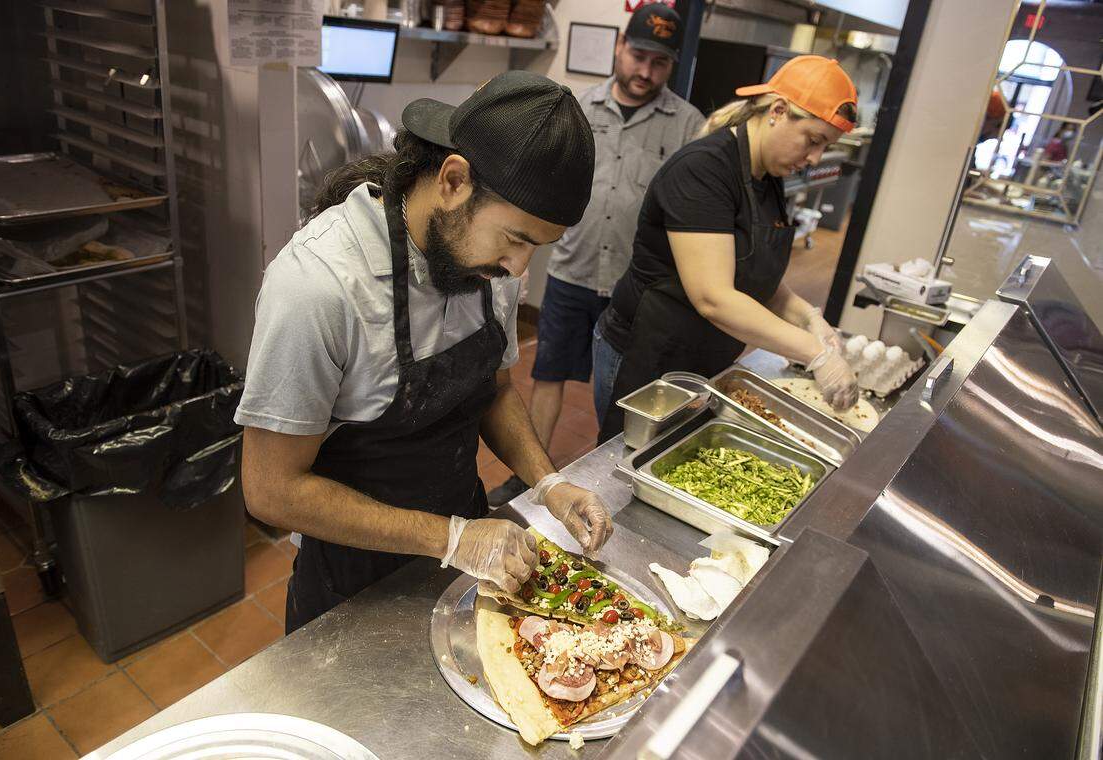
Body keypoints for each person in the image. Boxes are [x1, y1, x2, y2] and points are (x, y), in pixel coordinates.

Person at [235, 72, 613, 633]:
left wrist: (546, 484)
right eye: (515, 239)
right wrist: (451, 538)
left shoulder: (492, 266)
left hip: (465, 557)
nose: (518, 269)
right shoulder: (319, 286)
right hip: (352, 583)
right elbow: (271, 489)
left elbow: (495, 389)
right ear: (454, 181)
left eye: (538, 247)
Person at [487, 3, 705, 505]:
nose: (645, 72)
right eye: (639, 56)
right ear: (619, 47)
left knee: (624, 394)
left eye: (660, 63)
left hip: (636, 288)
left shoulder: (688, 125)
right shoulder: (577, 109)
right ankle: (531, 480)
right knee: (548, 375)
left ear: (672, 67)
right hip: (572, 272)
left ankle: (618, 487)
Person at [592, 56, 861, 442]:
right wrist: (813, 353)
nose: (814, 159)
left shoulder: (766, 177)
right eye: (813, 141)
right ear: (779, 111)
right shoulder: (703, 171)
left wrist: (808, 317)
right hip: (647, 352)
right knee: (627, 457)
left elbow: (755, 275)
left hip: (701, 353)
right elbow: (713, 297)